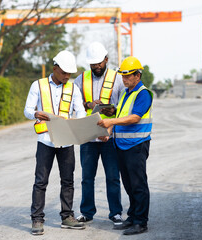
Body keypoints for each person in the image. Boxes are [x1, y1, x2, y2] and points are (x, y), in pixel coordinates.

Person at [24, 50, 86, 235]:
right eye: (64, 72)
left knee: (68, 181)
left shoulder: (74, 88)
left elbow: (80, 111)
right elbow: (27, 110)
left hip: (66, 141)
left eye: (69, 73)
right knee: (41, 181)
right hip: (45, 141)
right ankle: (37, 220)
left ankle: (67, 217)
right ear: (55, 68)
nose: (67, 76)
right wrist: (36, 113)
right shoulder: (38, 85)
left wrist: (80, 122)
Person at [97, 56, 153, 235]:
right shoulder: (125, 93)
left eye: (128, 76)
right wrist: (109, 132)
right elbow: (121, 116)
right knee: (129, 185)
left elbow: (134, 117)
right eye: (123, 76)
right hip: (121, 145)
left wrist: (111, 120)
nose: (124, 79)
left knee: (138, 184)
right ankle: (133, 216)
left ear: (138, 75)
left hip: (136, 145)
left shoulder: (143, 93)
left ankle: (141, 222)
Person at [74, 42, 124, 226]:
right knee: (87, 178)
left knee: (112, 176)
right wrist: (88, 105)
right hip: (88, 136)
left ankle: (116, 213)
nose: (96, 67)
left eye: (99, 63)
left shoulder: (117, 78)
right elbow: (75, 103)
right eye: (93, 64)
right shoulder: (81, 79)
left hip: (109, 136)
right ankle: (86, 212)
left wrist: (113, 111)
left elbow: (123, 106)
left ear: (106, 60)